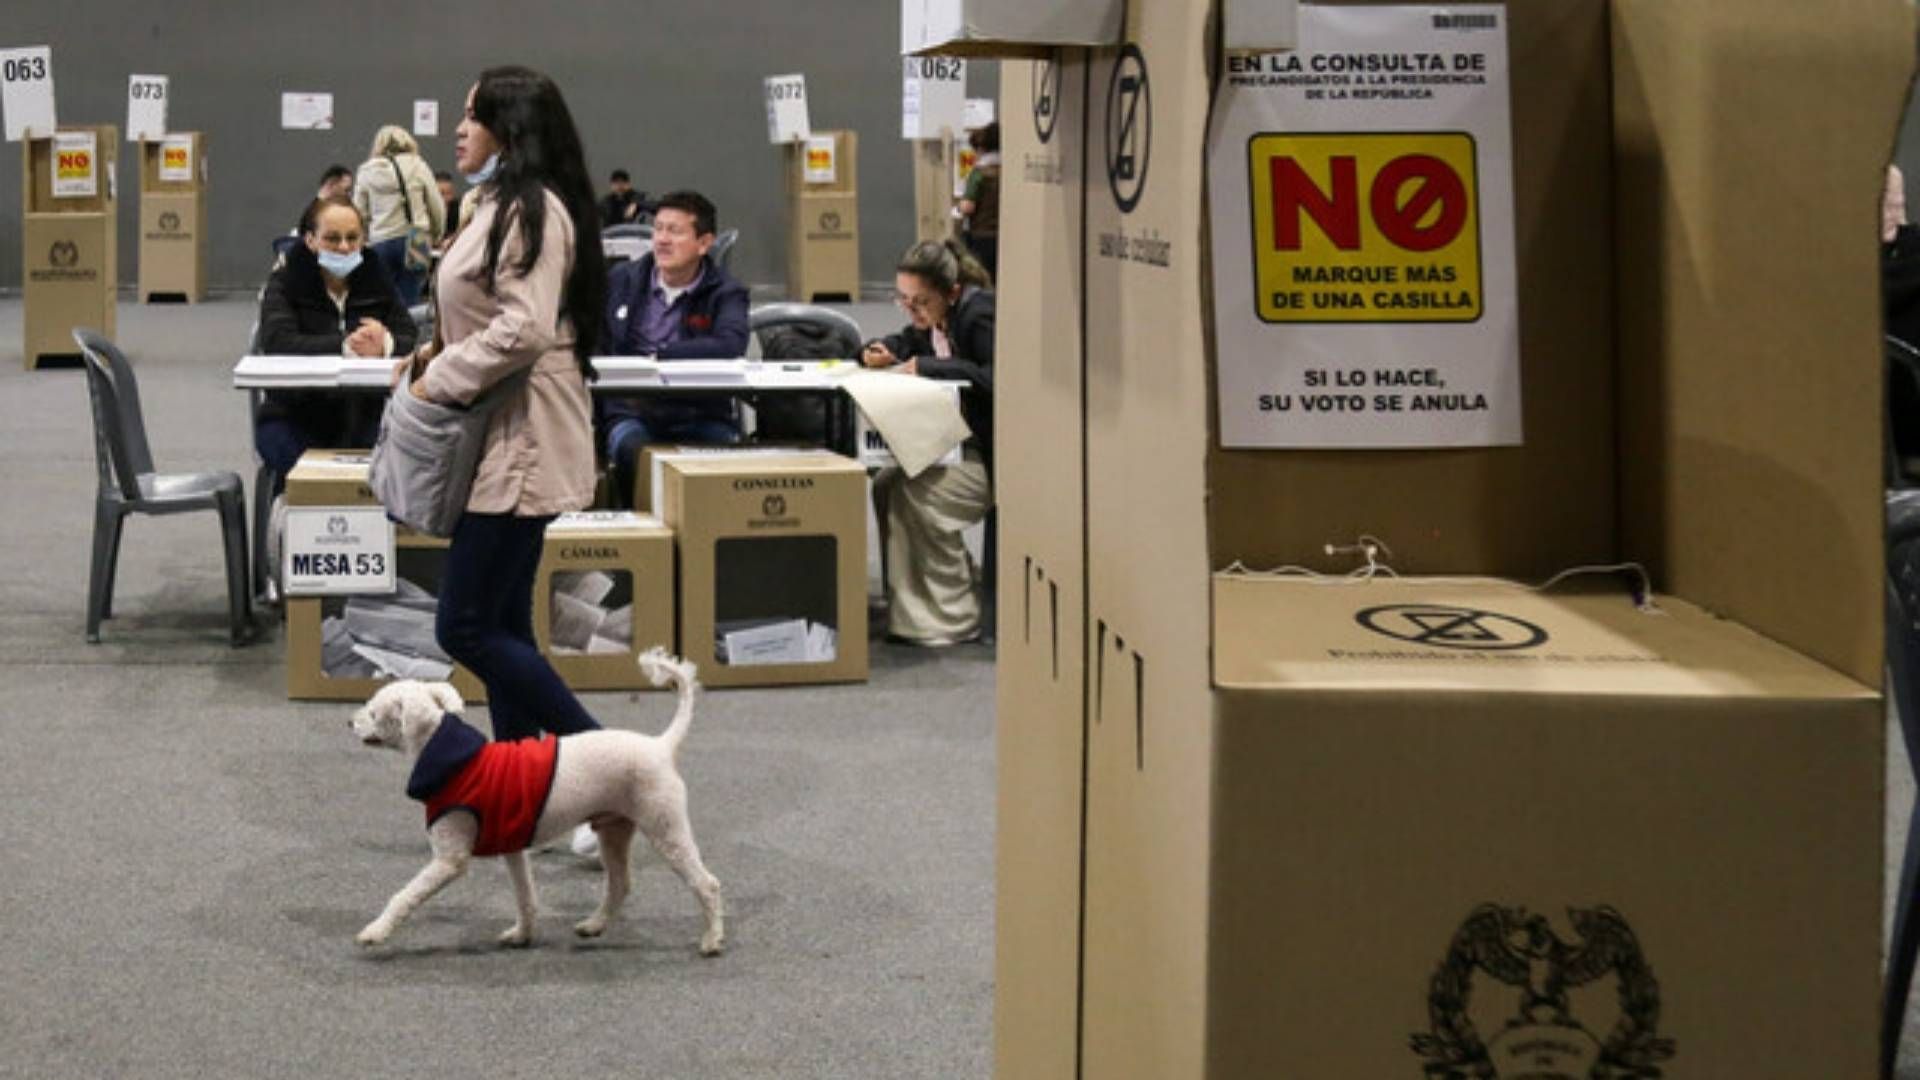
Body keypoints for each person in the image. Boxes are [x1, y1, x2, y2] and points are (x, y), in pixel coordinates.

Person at [403, 66, 607, 855]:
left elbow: (522, 330)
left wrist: (436, 377)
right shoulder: (490, 205)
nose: (457, 130)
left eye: (471, 116)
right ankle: (531, 795)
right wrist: (429, 356)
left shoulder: (531, 210)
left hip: (520, 436)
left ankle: (604, 771)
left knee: (464, 627)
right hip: (499, 429)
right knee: (502, 623)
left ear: (510, 130)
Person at [860, 239, 995, 646]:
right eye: (902, 299)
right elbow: (907, 341)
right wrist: (878, 352)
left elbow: (996, 376)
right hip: (957, 445)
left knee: (917, 494)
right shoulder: (935, 318)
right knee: (886, 483)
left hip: (996, 457)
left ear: (951, 293)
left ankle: (951, 616)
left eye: (920, 301)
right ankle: (911, 604)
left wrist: (928, 368)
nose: (912, 310)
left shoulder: (979, 313)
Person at [598, 189, 751, 508]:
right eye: (658, 229)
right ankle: (645, 542)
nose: (662, 240)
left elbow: (731, 343)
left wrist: (661, 358)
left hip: (701, 412)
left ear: (704, 243)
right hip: (632, 411)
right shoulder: (622, 280)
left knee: (726, 464)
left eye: (675, 231)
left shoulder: (725, 291)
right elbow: (596, 340)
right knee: (635, 456)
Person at [255, 196, 417, 486]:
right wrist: (345, 347)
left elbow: (410, 338)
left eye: (352, 238)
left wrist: (386, 345)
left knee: (400, 464)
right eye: (332, 238)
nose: (344, 247)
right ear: (310, 240)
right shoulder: (284, 283)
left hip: (369, 414)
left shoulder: (377, 278)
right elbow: (278, 341)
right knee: (310, 478)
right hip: (294, 414)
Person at [354, 126, 446, 306]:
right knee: (411, 297)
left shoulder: (366, 171)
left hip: (380, 240)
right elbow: (436, 205)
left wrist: (361, 238)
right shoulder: (418, 165)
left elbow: (359, 213)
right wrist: (436, 233)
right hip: (416, 238)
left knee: (382, 299)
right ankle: (407, 332)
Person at [957, 123, 1001, 282]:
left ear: (981, 148)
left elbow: (968, 207)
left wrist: (958, 207)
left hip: (982, 235)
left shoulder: (979, 174)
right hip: (1005, 234)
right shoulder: (1010, 171)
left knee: (983, 279)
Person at [433, 170, 462, 244]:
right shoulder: (423, 211)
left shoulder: (461, 209)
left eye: (449, 193)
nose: (446, 199)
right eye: (441, 193)